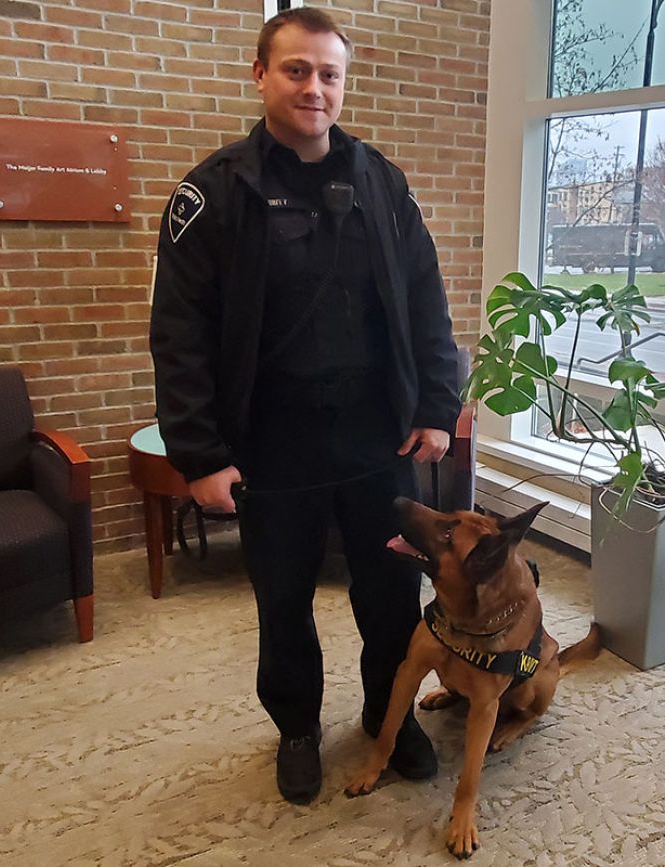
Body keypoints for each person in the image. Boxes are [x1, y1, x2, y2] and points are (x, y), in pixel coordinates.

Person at [149, 7, 462, 806]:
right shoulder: (212, 192)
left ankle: (388, 717)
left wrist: (435, 401)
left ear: (343, 82)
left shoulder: (381, 181)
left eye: (329, 73)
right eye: (296, 70)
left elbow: (426, 299)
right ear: (260, 74)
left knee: (391, 594)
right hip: (271, 446)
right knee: (283, 598)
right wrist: (202, 453)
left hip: (377, 441)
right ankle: (295, 726)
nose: (314, 88)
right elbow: (178, 334)